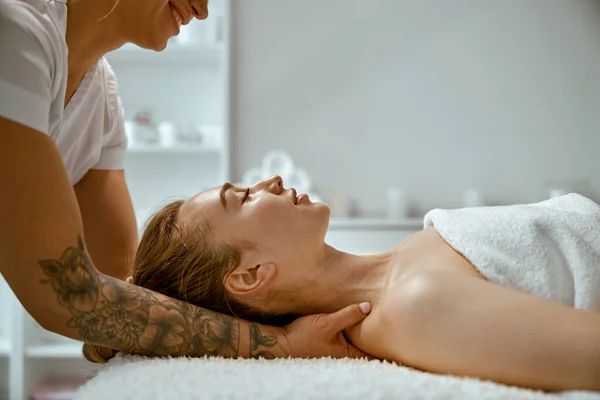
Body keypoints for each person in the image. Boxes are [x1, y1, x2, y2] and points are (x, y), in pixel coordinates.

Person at [0, 0, 372, 361]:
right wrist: (281, 344)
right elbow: (70, 295)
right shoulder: (15, 32)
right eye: (241, 196)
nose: (202, 8)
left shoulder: (102, 99)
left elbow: (123, 286)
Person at [85, 175, 600, 392]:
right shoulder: (413, 308)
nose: (266, 182)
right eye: (241, 197)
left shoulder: (400, 266)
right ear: (249, 276)